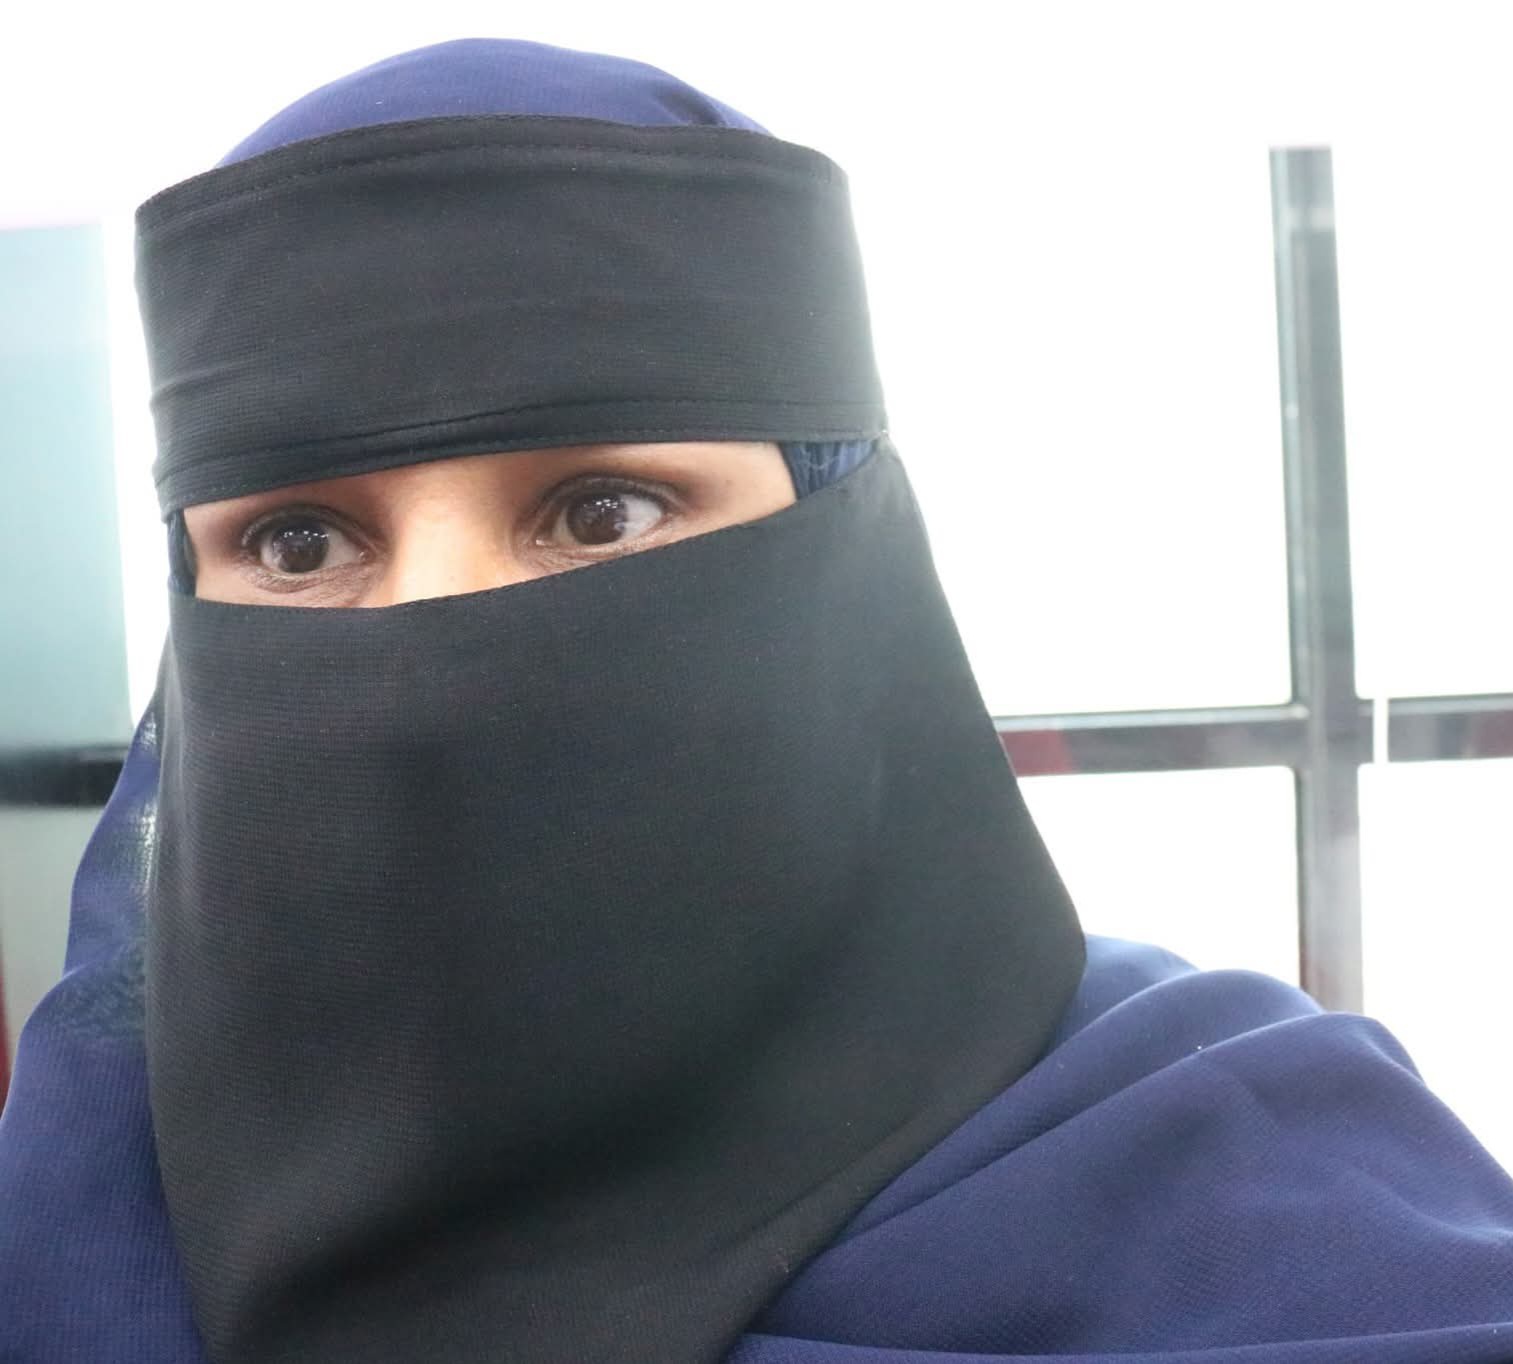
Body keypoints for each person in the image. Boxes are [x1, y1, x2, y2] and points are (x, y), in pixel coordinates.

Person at [1, 37, 1511, 1364]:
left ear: (850, 552)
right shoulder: (86, 1186)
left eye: (601, 513)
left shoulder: (1266, 1184)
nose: (433, 650)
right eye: (297, 544)